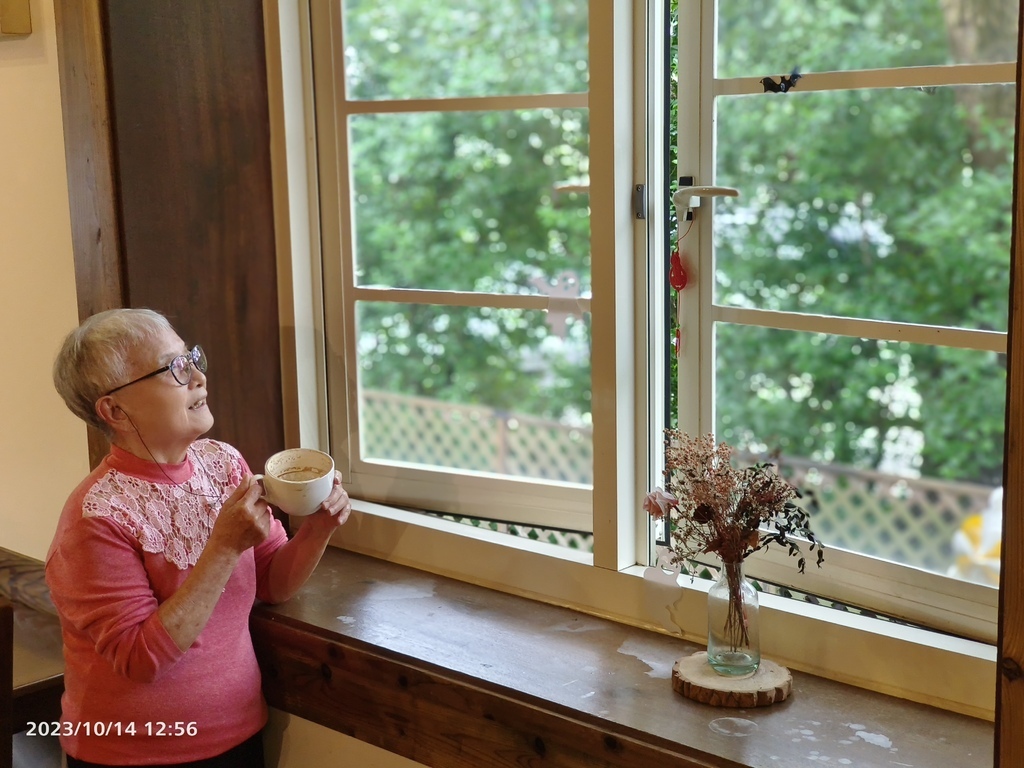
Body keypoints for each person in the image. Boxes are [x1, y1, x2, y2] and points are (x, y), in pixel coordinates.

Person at [46, 308, 352, 768]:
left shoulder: (222, 464)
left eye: (191, 358)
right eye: (173, 368)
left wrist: (318, 527)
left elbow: (272, 583)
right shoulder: (96, 517)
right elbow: (141, 660)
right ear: (114, 410)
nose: (197, 377)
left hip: (239, 732)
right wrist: (224, 548)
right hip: (129, 754)